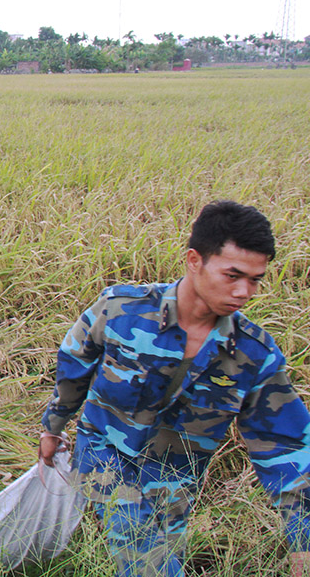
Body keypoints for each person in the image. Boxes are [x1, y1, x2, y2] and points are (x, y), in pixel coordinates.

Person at [39, 201, 310, 577]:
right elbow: (74, 368)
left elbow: (285, 446)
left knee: (161, 555)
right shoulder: (120, 310)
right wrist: (53, 427)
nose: (244, 291)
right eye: (232, 275)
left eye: (255, 279)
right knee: (145, 558)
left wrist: (303, 540)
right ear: (194, 260)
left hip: (175, 481)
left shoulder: (253, 355)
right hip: (105, 457)